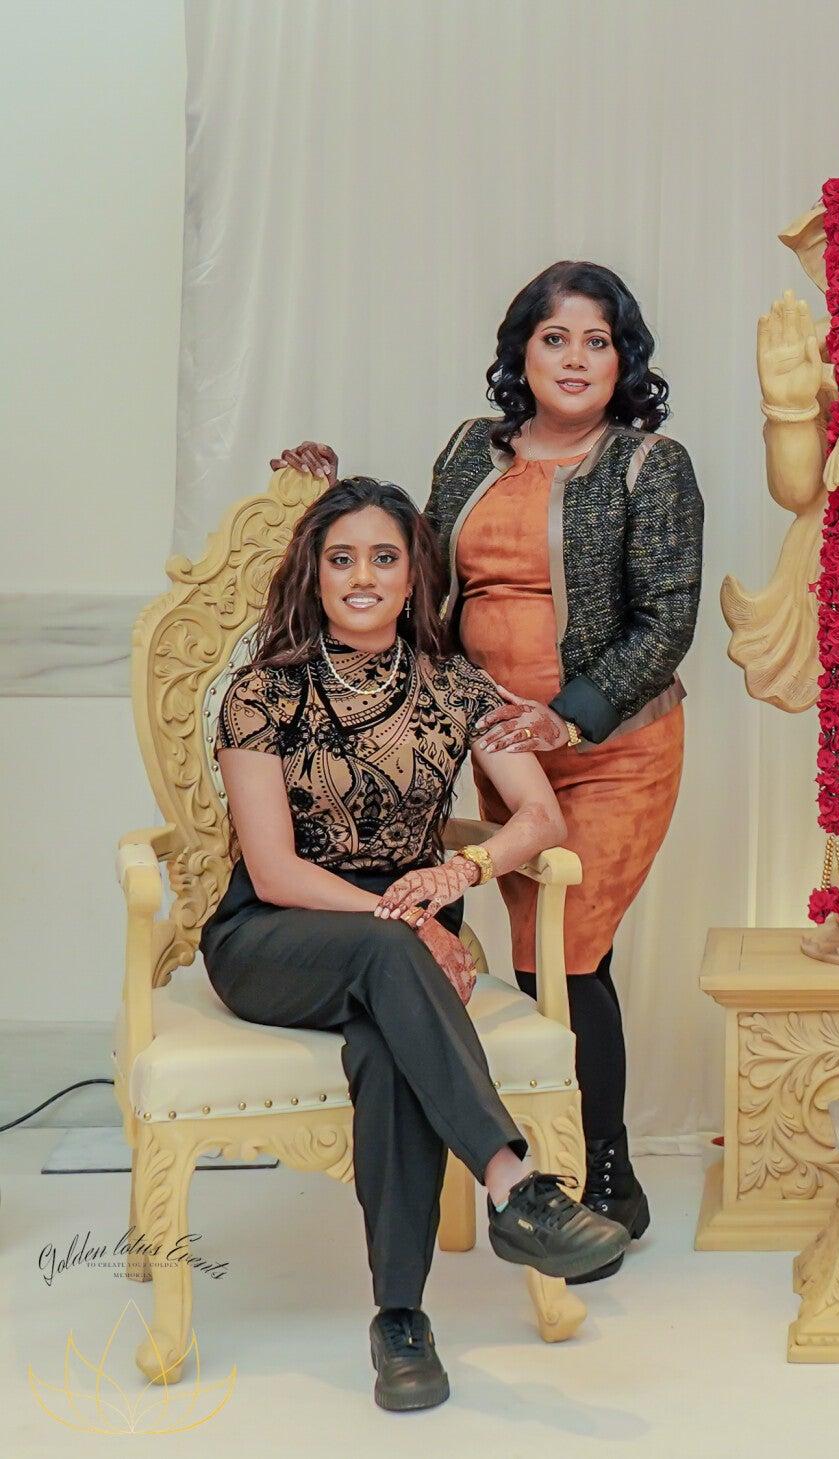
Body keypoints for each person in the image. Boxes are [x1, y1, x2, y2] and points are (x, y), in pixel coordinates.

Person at [273, 260, 704, 1282]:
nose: (575, 359)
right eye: (555, 338)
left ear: (623, 359)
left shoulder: (650, 466)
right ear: (522, 351)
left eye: (597, 341)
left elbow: (665, 620)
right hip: (487, 741)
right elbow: (414, 570)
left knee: (568, 952)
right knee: (499, 948)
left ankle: (602, 1173)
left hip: (611, 749)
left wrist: (565, 717)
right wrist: (330, 497)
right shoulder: (473, 448)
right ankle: (514, 1167)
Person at [203, 475, 632, 1412]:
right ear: (315, 574)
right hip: (272, 938)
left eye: (383, 558)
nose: (362, 576)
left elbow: (540, 816)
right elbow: (272, 870)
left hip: (404, 941)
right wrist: (414, 921)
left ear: (412, 576)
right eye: (342, 558)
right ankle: (515, 1183)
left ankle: (400, 1323)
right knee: (390, 954)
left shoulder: (456, 685)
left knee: (387, 1049)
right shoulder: (263, 692)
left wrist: (461, 874)